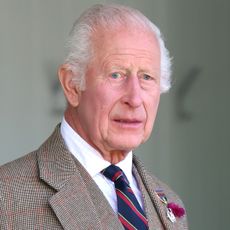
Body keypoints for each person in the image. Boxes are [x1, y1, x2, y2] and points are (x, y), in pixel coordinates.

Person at [0, 4, 188, 230]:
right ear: (72, 85)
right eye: (116, 74)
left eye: (147, 77)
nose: (135, 98)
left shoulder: (170, 201)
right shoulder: (7, 196)